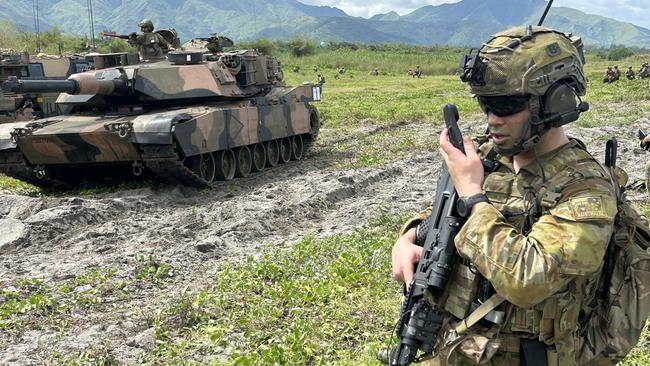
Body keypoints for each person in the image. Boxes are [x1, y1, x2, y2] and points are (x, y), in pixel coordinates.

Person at [391, 26, 618, 365]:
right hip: (461, 349)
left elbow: (528, 278)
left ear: (553, 101)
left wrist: (473, 194)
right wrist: (408, 237)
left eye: (507, 105)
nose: (492, 119)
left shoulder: (585, 187)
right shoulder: (488, 158)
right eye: (486, 105)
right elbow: (442, 214)